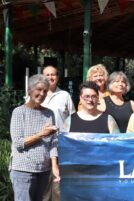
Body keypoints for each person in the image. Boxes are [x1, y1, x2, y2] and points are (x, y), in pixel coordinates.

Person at [10, 74, 60, 201]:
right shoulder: (19, 112)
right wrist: (41, 134)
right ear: (29, 90)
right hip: (23, 170)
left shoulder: (49, 113)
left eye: (45, 91)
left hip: (44, 170)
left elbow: (53, 142)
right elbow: (18, 143)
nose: (42, 93)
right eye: (39, 89)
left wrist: (54, 166)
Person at [42, 65, 75, 201]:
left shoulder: (65, 95)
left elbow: (72, 119)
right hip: (41, 145)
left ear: (58, 77)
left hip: (60, 145)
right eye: (47, 75)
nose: (50, 77)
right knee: (43, 185)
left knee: (58, 185)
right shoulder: (36, 94)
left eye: (53, 74)